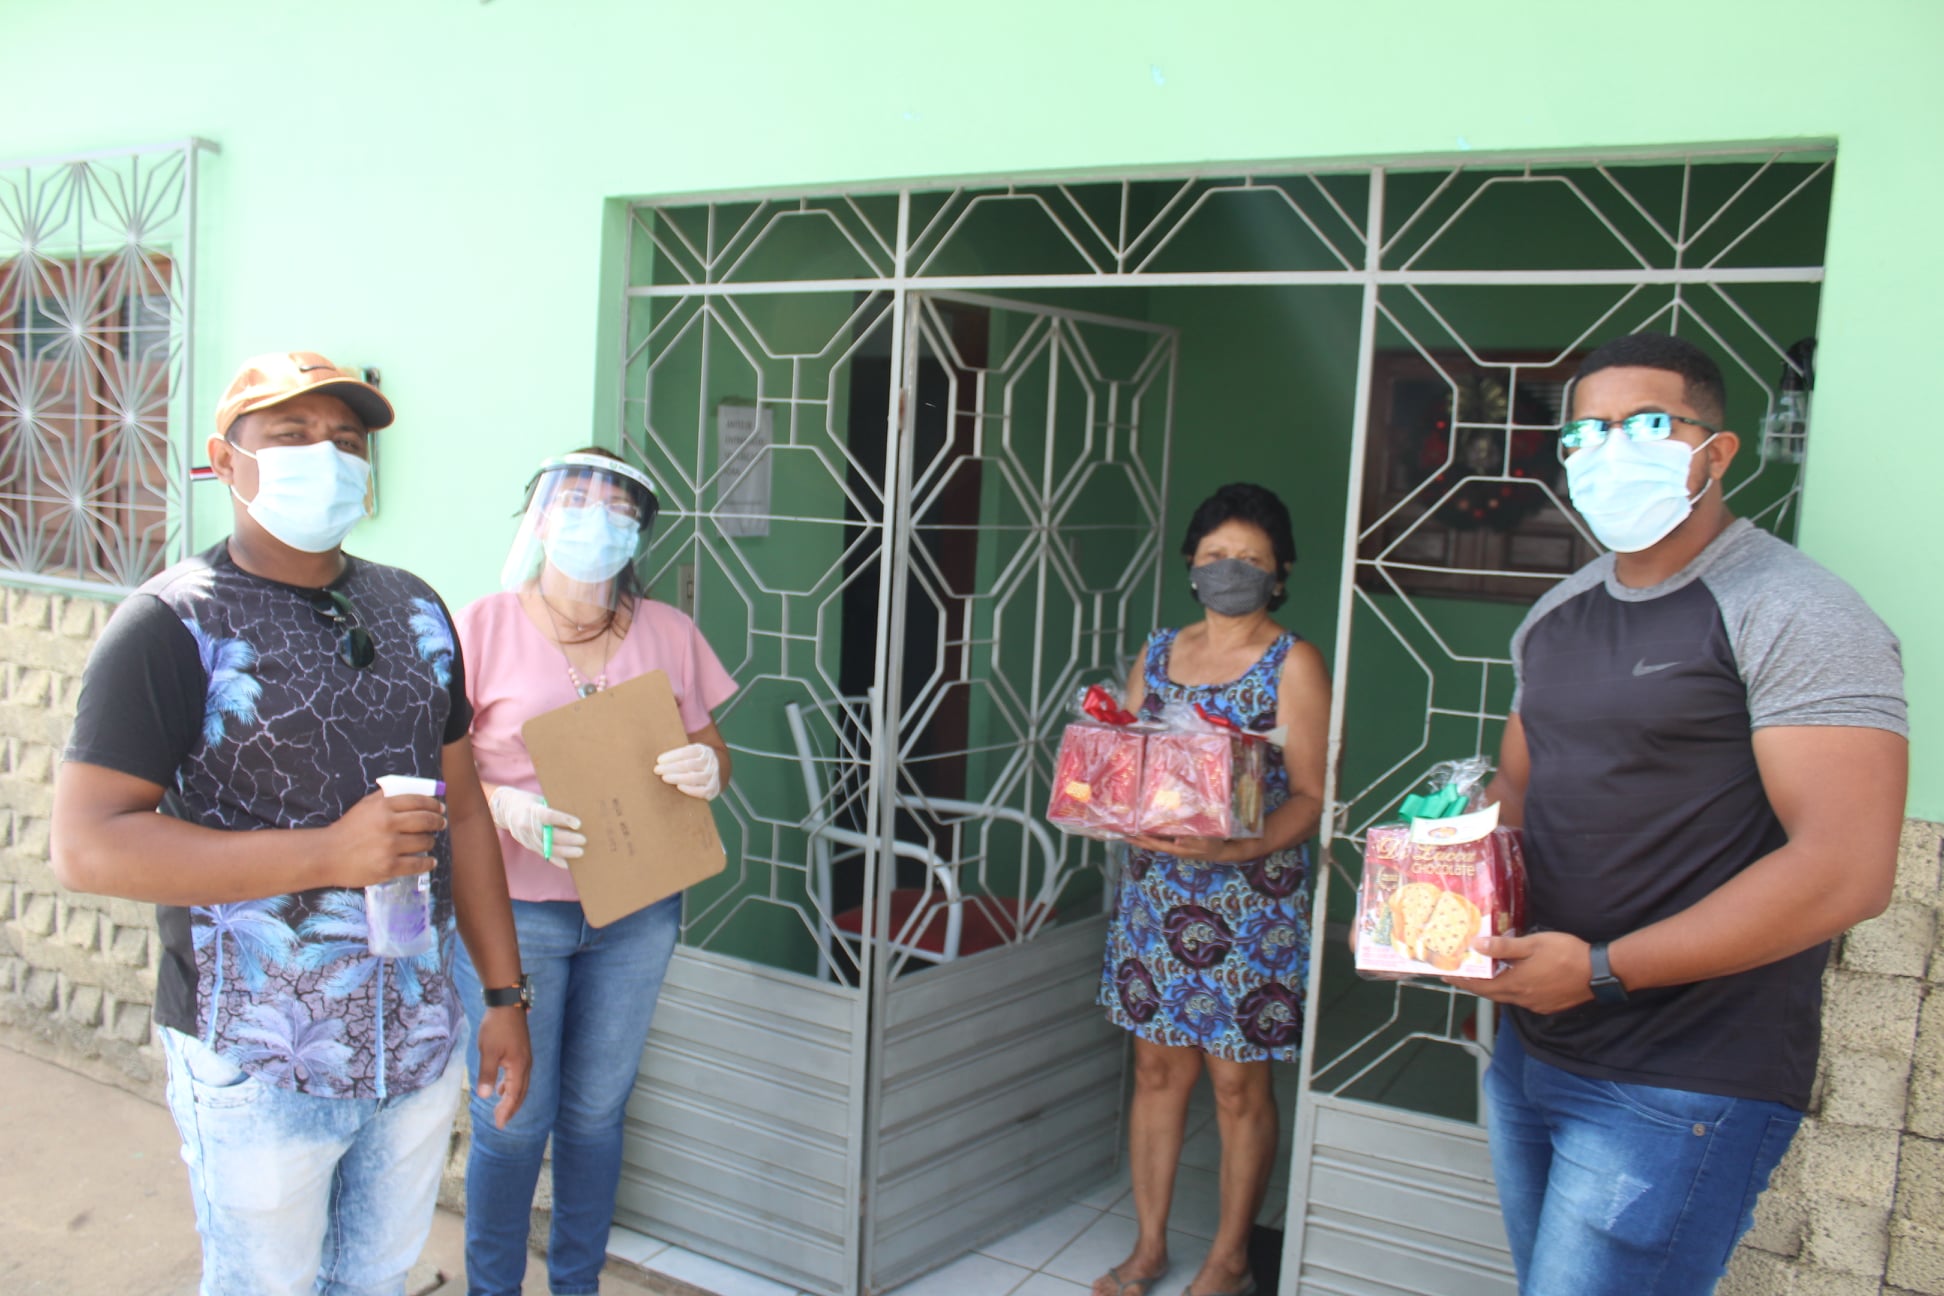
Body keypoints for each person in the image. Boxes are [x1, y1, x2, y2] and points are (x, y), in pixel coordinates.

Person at [48, 351, 533, 1296]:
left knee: (378, 1279)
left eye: (347, 441)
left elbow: (466, 812)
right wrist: (329, 853)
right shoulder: (170, 624)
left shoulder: (415, 607)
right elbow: (88, 844)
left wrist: (504, 999)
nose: (329, 456)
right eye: (293, 434)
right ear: (225, 460)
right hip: (257, 1058)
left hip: (415, 1042)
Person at [1450, 332, 1908, 1295]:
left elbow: (1846, 869)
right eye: (1585, 433)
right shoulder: (1557, 615)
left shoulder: (1794, 611)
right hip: (1534, 1053)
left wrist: (1601, 971)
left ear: (1717, 450)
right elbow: (1518, 799)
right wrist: (1438, 901)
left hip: (1679, 1080)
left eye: (1648, 425)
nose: (1610, 449)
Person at [452, 448, 736, 1296]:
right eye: (577, 500)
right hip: (513, 914)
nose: (597, 520)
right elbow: (432, 764)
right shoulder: (481, 627)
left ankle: (576, 1285)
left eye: (619, 508)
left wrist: (708, 768)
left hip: (637, 912)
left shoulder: (668, 632)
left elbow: (710, 742)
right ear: (539, 518)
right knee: (513, 1117)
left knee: (595, 1113)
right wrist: (501, 803)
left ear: (639, 532)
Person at [1093, 483, 1331, 1296]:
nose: (1232, 570)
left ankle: (1229, 1260)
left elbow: (1312, 796)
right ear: (1192, 563)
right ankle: (1149, 1247)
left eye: (1252, 560)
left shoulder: (1293, 662)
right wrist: (1108, 807)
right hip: (1158, 897)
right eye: (1218, 555)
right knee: (1158, 1073)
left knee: (1237, 1084)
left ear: (1281, 572)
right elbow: (1128, 764)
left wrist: (1239, 847)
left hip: (1251, 905)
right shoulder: (1159, 652)